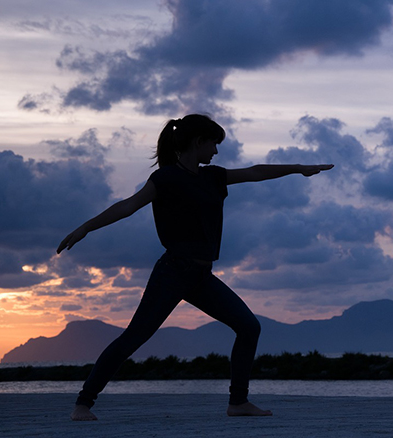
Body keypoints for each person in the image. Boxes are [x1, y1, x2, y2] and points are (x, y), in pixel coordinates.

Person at [57, 114, 333, 421]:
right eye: (213, 143)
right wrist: (85, 227)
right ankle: (83, 404)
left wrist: (298, 169)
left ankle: (238, 403)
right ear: (198, 142)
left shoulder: (213, 177)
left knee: (248, 326)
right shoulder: (165, 179)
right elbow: (128, 205)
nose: (216, 151)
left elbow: (256, 172)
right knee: (133, 338)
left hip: (201, 276)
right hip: (173, 272)